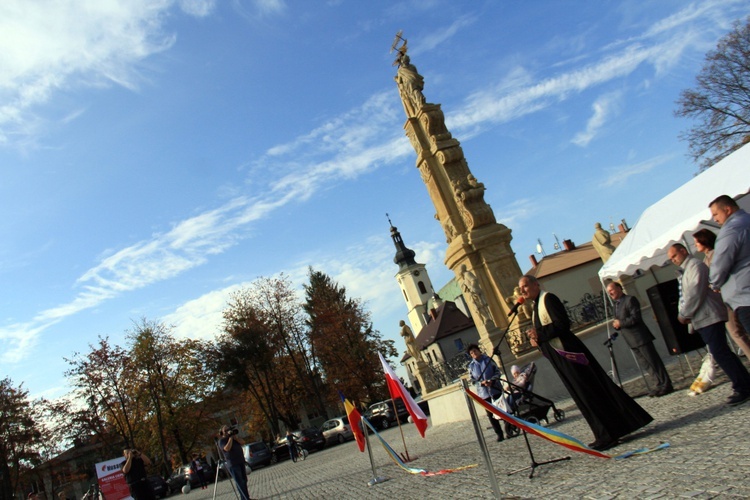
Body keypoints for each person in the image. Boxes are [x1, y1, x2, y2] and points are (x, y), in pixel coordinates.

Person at [518, 275, 652, 451]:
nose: (522, 291)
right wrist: (537, 340)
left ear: (536, 284)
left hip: (570, 353)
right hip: (560, 358)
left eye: (525, 286)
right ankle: (604, 432)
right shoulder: (535, 308)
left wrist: (540, 334)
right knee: (582, 394)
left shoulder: (548, 299)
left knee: (590, 390)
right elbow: (544, 333)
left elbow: (562, 324)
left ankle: (607, 434)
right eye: (521, 289)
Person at [668, 243, 750, 406]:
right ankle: (744, 383)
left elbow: (695, 293)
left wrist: (685, 314)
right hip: (702, 317)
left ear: (683, 251)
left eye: (674, 256)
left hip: (708, 315)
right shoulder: (686, 270)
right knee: (721, 352)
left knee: (720, 352)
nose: (673, 260)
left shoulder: (695, 266)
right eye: (671, 258)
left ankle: (742, 386)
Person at [606, 281, 673, 397]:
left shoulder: (630, 300)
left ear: (618, 288)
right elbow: (618, 320)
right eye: (608, 292)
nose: (610, 293)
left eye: (611, 290)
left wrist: (620, 323)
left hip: (640, 337)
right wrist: (616, 325)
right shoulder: (616, 305)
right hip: (631, 340)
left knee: (653, 361)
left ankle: (666, 384)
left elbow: (635, 318)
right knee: (646, 364)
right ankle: (658, 384)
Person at [694, 227, 750, 358]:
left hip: (726, 296)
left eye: (697, 242)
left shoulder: (714, 255)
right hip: (723, 298)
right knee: (736, 332)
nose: (695, 245)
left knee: (736, 332)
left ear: (704, 241)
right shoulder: (707, 258)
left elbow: (718, 274)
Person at [707, 195, 750, 333]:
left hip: (745, 296)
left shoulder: (731, 229)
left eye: (716, 214)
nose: (715, 219)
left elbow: (720, 263)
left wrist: (714, 283)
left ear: (728, 209)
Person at [466, 344, 505, 442]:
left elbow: (497, 371)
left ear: (479, 351)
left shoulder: (488, 360)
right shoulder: (471, 366)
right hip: (483, 393)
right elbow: (472, 380)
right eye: (471, 353)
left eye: (475, 351)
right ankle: (499, 434)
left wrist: (492, 380)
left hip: (495, 389)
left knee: (502, 410)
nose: (474, 353)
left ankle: (510, 428)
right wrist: (481, 383)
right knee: (491, 415)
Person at [219, 426, 251, 500]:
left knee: (244, 480)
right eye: (226, 430)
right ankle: (245, 498)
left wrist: (235, 438)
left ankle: (246, 498)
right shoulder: (222, 441)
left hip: (240, 461)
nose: (228, 431)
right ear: (222, 432)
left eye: (229, 429)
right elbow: (227, 448)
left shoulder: (234, 438)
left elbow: (243, 442)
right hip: (233, 464)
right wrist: (230, 438)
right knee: (240, 482)